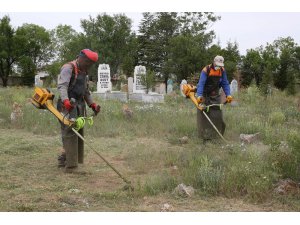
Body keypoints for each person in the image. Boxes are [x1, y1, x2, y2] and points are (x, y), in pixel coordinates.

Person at [57, 49, 101, 172]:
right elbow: (62, 86)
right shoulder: (68, 68)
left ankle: (66, 159)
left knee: (78, 132)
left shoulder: (84, 71)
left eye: (91, 64)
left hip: (79, 105)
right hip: (66, 105)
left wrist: (92, 104)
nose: (88, 66)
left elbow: (85, 91)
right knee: (70, 132)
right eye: (87, 62)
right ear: (81, 58)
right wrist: (66, 101)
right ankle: (71, 167)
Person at [196, 55, 233, 142]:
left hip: (215, 94)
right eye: (217, 65)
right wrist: (199, 95)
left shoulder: (222, 71)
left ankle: (216, 136)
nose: (218, 67)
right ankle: (204, 136)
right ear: (213, 62)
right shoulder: (206, 70)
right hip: (204, 95)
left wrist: (228, 94)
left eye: (220, 65)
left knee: (217, 114)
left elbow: (225, 83)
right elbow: (201, 83)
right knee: (204, 115)